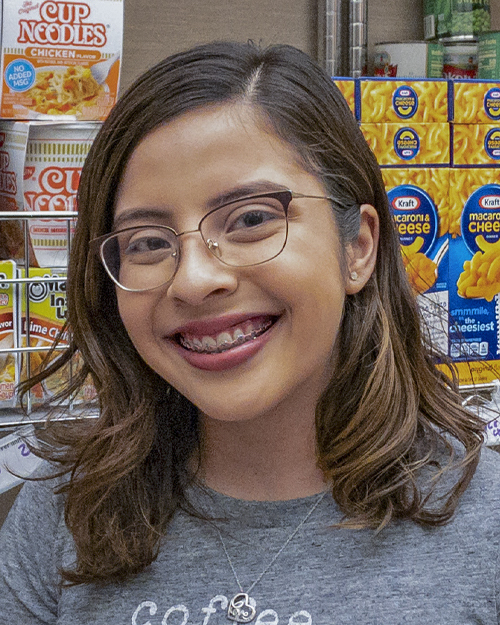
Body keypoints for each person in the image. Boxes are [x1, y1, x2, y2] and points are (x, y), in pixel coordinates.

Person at [0, 40, 499, 625]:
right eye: (149, 243)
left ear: (358, 247)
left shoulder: (484, 524)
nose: (193, 280)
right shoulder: (64, 509)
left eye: (252, 219)